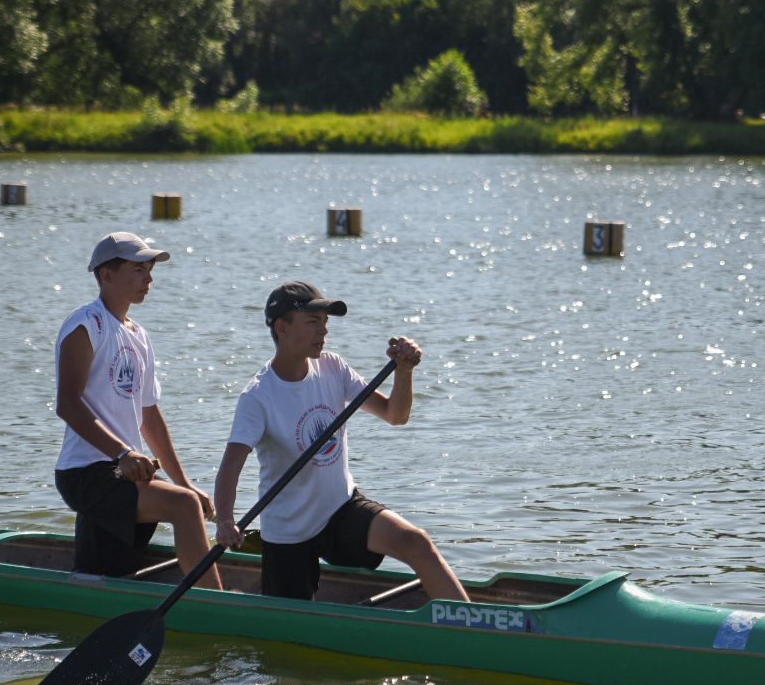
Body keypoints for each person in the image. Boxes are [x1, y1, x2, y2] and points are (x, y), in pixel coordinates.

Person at [212, 280, 469, 603]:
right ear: (282, 327)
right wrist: (224, 519)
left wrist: (404, 372)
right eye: (313, 322)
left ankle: (474, 627)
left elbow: (395, 415)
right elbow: (231, 467)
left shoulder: (333, 367)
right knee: (292, 626)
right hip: (289, 530)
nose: (324, 331)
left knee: (416, 542)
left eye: (325, 322)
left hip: (339, 510)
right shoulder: (258, 396)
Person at [53, 232, 221, 588]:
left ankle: (97, 583)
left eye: (150, 270)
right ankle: (218, 602)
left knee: (108, 569)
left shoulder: (139, 336)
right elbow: (68, 404)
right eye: (139, 270)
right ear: (107, 275)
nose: (149, 279)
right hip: (86, 472)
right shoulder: (85, 325)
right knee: (184, 507)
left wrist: (185, 482)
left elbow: (150, 418)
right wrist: (123, 452)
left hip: (125, 469)